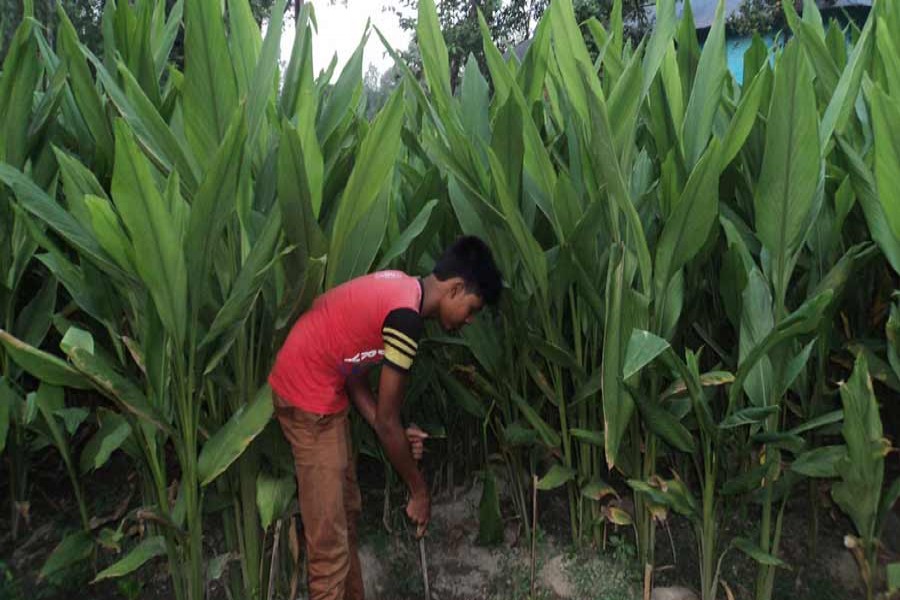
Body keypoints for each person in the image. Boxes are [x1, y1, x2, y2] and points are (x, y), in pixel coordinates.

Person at [268, 235, 502, 600]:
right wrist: (419, 490)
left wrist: (390, 426)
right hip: (307, 399)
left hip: (323, 390)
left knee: (346, 516)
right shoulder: (406, 318)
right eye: (472, 309)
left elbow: (355, 365)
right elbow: (386, 422)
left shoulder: (401, 288)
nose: (469, 320)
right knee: (329, 544)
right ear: (456, 289)